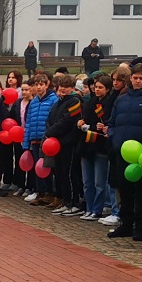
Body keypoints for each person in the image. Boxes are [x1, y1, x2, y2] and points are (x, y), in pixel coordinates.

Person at [105, 63, 142, 241]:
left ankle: (140, 226)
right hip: (122, 151)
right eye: (135, 78)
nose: (137, 81)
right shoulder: (121, 99)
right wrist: (114, 138)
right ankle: (126, 224)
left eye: (141, 78)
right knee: (124, 189)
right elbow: (112, 122)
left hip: (141, 154)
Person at [47, 73, 86, 213]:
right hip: (57, 143)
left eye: (66, 87)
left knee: (70, 173)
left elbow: (67, 121)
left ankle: (74, 202)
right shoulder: (59, 102)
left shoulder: (75, 101)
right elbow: (51, 118)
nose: (63, 89)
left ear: (72, 88)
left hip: (69, 142)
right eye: (61, 86)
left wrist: (51, 131)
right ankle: (65, 200)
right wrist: (49, 130)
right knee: (60, 173)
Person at [78, 73, 114, 220]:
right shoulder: (89, 102)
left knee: (99, 182)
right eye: (96, 87)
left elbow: (108, 123)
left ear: (107, 89)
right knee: (87, 182)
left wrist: (99, 126)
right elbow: (84, 119)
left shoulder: (110, 103)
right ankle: (89, 207)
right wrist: (82, 123)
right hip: (86, 145)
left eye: (100, 87)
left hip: (100, 146)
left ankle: (97, 210)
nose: (97, 89)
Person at [19, 72, 57, 205]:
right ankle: (40, 192)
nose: (39, 87)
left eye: (41, 84)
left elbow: (53, 120)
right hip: (34, 139)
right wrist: (26, 141)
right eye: (36, 84)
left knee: (47, 167)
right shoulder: (34, 102)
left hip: (46, 140)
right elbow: (28, 122)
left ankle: (49, 193)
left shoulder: (53, 100)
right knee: (37, 167)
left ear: (47, 85)